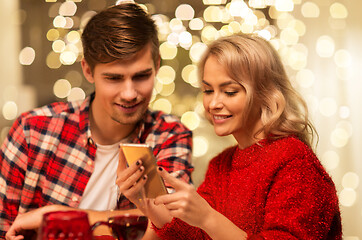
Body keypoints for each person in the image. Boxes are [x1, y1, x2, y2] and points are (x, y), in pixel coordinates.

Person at [119, 33, 342, 239]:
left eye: (230, 91)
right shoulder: (221, 165)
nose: (214, 103)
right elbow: (198, 237)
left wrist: (207, 217)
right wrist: (147, 203)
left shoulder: (295, 162)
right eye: (208, 90)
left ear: (265, 93)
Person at [0, 2, 193, 239]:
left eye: (141, 76)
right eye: (114, 78)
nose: (130, 93)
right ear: (88, 71)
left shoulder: (169, 135)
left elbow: (174, 227)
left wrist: (54, 215)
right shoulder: (33, 131)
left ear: (157, 66)